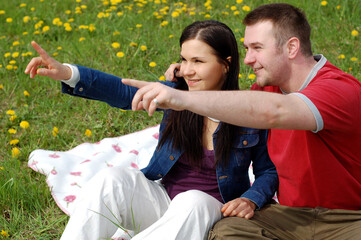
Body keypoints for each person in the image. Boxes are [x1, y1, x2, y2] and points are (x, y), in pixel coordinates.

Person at [122, 3, 361, 239]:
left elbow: (273, 112)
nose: (247, 59)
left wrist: (182, 97)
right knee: (226, 230)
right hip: (289, 217)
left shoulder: (338, 89)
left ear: (291, 47)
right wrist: (186, 78)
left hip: (346, 218)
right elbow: (238, 105)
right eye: (246, 48)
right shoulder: (266, 89)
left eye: (257, 48)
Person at [25, 20, 278, 240]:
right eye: (184, 59)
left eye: (198, 61)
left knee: (192, 200)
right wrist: (67, 73)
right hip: (164, 205)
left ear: (226, 64)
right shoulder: (175, 94)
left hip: (211, 214)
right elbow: (122, 91)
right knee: (112, 179)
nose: (188, 70)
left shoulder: (247, 111)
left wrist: (251, 198)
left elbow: (268, 171)